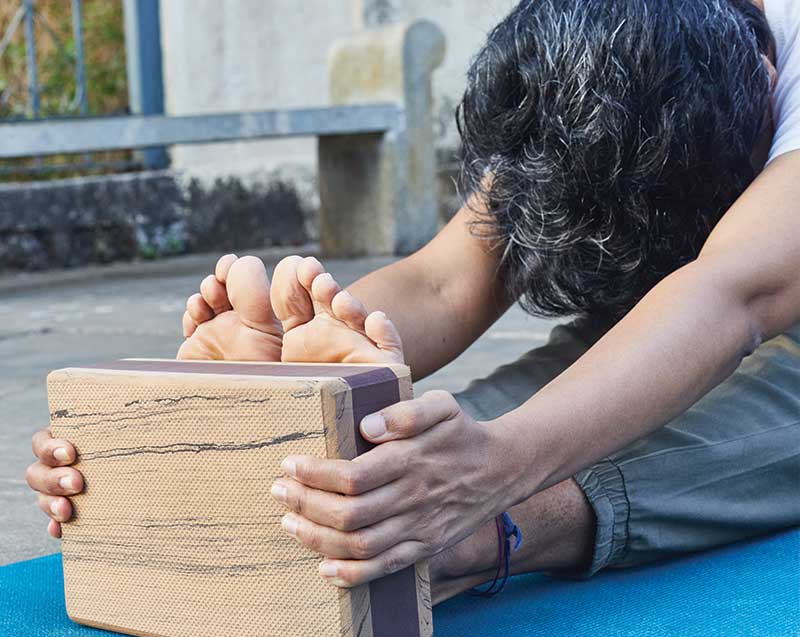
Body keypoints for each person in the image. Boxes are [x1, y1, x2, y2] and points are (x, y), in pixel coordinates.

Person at [27, 0, 800, 605]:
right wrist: (250, 380)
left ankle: (487, 536)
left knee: (719, 402)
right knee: (465, 436)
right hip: (694, 280)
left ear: (766, 83)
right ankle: (296, 457)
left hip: (769, 304)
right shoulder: (614, 45)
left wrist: (499, 472)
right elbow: (446, 279)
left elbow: (731, 297)